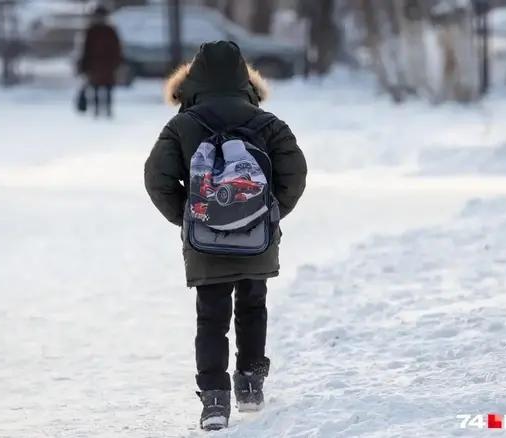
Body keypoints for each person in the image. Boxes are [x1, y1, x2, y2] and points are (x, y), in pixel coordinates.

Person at [144, 41, 307, 430]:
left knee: (210, 317)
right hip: (256, 239)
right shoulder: (268, 124)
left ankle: (214, 400)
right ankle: (250, 384)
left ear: (193, 80)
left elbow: (156, 178)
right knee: (253, 306)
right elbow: (295, 174)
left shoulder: (181, 126)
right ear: (244, 80)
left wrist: (191, 217)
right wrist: (266, 216)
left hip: (206, 242)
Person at [78, 6, 122, 117]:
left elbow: (116, 48)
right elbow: (86, 49)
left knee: (104, 88)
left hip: (103, 64)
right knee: (98, 87)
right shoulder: (94, 31)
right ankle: (100, 110)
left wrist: (116, 62)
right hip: (98, 64)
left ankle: (106, 110)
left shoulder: (107, 31)